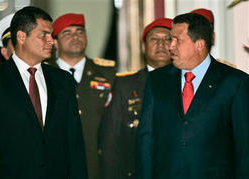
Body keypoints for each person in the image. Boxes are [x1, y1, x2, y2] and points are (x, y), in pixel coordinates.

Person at [0, 6, 87, 179]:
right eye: (43, 35)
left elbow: (74, 145)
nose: (51, 41)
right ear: (21, 37)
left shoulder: (63, 81)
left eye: (51, 35)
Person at [136, 13, 249, 179]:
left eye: (177, 40)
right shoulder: (157, 80)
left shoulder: (234, 82)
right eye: (171, 39)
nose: (171, 46)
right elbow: (146, 139)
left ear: (199, 44)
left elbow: (244, 147)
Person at [98, 18, 172, 179]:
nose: (161, 44)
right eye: (154, 39)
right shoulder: (125, 85)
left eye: (167, 39)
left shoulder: (188, 82)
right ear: (144, 47)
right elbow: (109, 141)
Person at [51, 13, 116, 179]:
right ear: (55, 43)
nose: (75, 37)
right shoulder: (44, 74)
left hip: (98, 167)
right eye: (67, 33)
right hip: (57, 165)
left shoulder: (108, 74)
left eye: (80, 32)